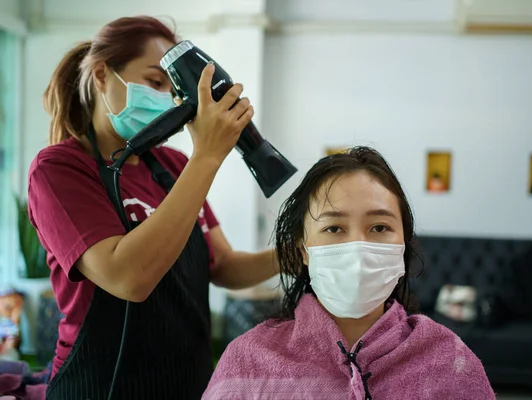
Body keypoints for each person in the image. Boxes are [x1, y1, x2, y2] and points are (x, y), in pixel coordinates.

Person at [27, 16, 279, 400]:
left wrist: (295, 253)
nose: (167, 98)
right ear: (101, 75)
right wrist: (208, 155)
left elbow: (223, 264)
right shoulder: (59, 169)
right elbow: (128, 277)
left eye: (171, 88)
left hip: (186, 382)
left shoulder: (173, 167)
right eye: (154, 81)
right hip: (100, 385)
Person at [203, 147, 496, 400]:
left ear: (403, 243)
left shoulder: (450, 361)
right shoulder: (248, 360)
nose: (358, 248)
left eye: (379, 227)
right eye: (334, 228)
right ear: (303, 250)